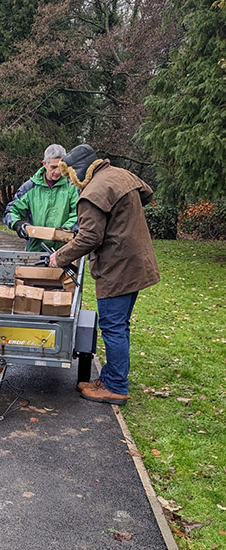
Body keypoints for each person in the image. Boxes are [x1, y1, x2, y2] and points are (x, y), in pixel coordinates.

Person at [48, 144, 160, 405]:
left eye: (70, 176)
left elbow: (89, 236)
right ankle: (111, 378)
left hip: (117, 267)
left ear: (79, 172)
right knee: (120, 326)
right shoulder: (120, 175)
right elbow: (146, 193)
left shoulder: (93, 192)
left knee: (112, 326)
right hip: (136, 262)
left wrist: (59, 256)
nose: (70, 181)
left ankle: (116, 387)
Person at [3, 144, 79, 251]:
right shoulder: (30, 187)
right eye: (53, 167)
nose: (57, 172)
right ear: (44, 164)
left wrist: (65, 230)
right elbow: (11, 211)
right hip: (35, 250)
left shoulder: (72, 186)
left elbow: (80, 214)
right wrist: (18, 224)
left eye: (61, 167)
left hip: (65, 251)